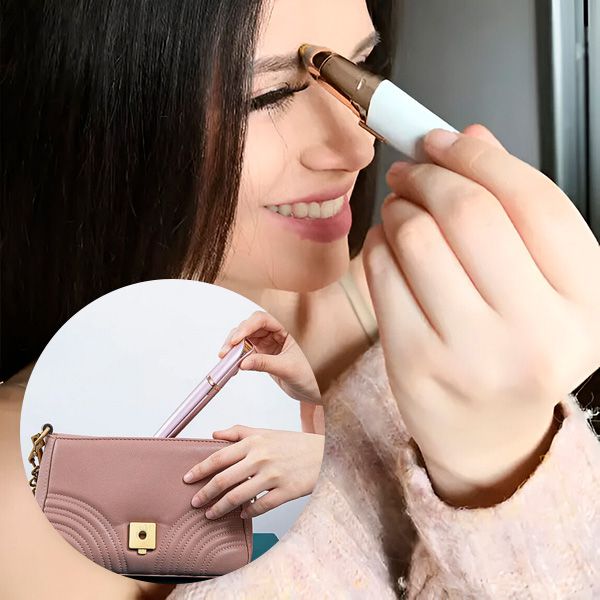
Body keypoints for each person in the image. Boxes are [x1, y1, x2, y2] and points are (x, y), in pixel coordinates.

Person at [1, 0, 599, 599]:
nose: (359, 148)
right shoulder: (26, 497)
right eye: (269, 97)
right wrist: (503, 506)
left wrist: (508, 460)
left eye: (360, 68)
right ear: (94, 115)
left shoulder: (451, 319)